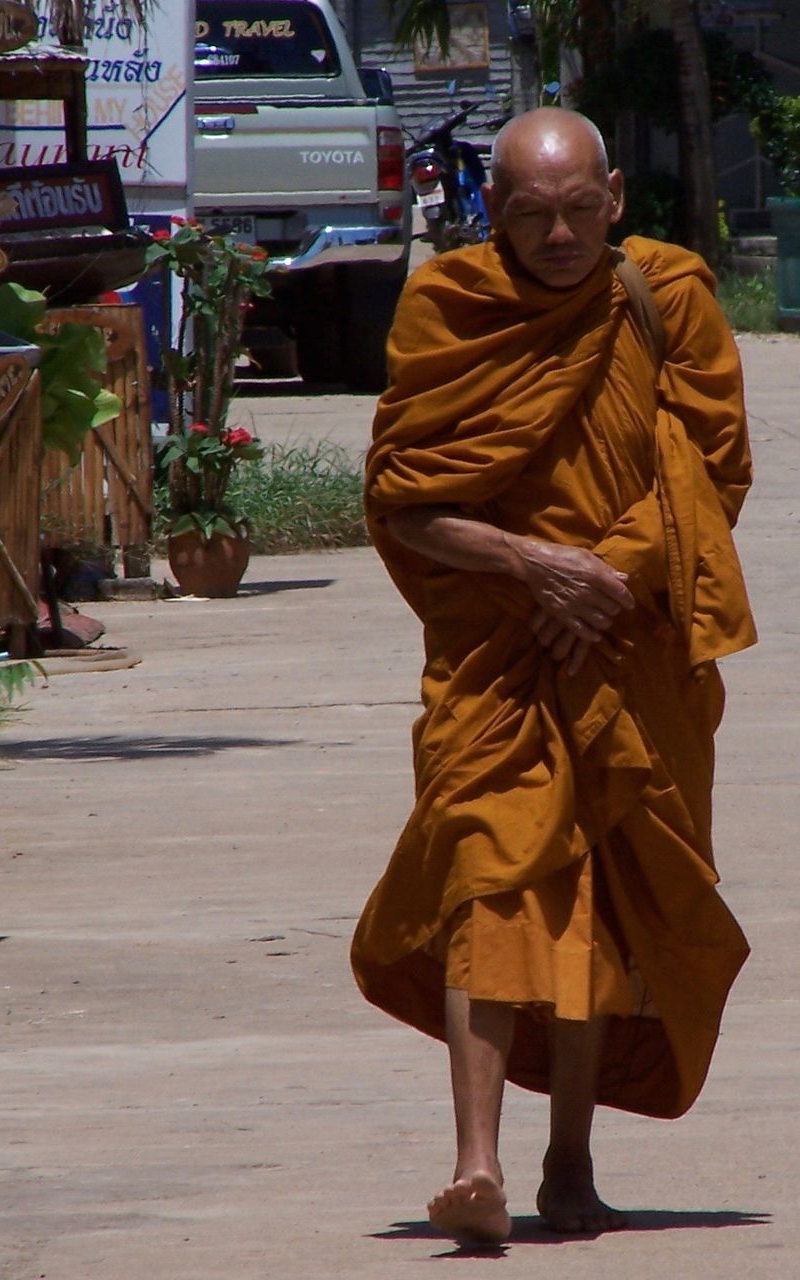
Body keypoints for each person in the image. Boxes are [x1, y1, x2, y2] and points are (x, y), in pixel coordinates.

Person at [351, 107, 756, 1244]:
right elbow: (404, 498)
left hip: (627, 648)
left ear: (615, 196)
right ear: (492, 210)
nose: (561, 235)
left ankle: (569, 1162)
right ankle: (475, 1163)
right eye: (532, 215)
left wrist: (599, 582)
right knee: (490, 877)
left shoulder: (665, 296)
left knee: (598, 904)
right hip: (496, 654)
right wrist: (533, 567)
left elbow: (709, 475)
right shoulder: (450, 307)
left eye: (581, 209)